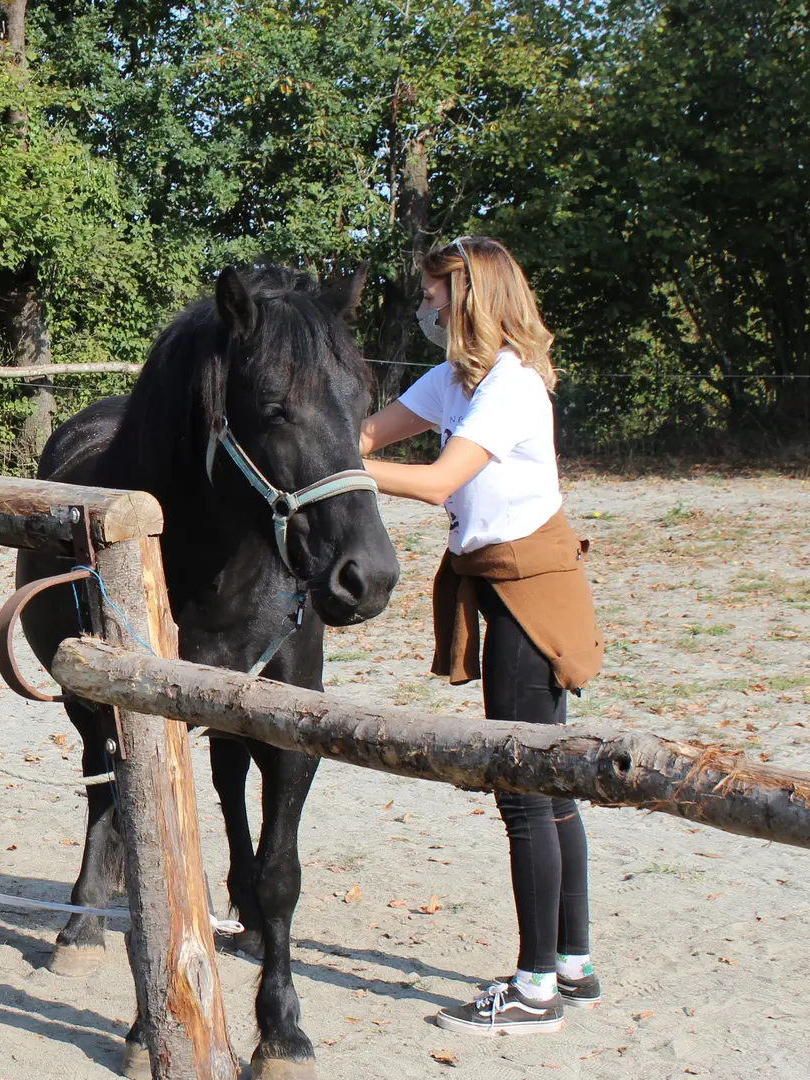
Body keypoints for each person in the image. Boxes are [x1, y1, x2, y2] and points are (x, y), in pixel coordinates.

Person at [360, 236, 604, 1037]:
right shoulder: (457, 381)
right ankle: (571, 963)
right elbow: (366, 435)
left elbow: (434, 483)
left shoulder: (510, 388)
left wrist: (333, 474)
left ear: (466, 297)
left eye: (433, 293)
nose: (424, 307)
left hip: (530, 593)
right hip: (499, 585)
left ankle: (535, 990)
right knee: (550, 781)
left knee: (525, 787)